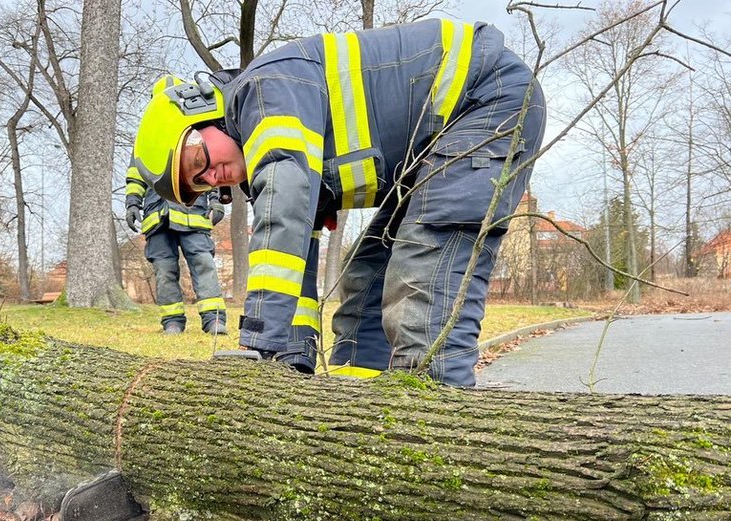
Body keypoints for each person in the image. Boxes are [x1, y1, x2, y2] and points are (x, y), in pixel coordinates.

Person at [132, 18, 546, 385]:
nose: (210, 176)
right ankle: (360, 411)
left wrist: (256, 343)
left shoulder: (265, 93)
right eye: (198, 183)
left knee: (423, 279)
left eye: (199, 159)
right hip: (430, 149)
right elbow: (295, 267)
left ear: (204, 113)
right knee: (365, 286)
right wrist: (290, 361)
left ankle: (437, 430)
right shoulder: (272, 146)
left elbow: (283, 220)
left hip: (484, 101)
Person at [125, 140, 228, 335]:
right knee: (164, 271)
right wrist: (132, 203)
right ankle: (172, 322)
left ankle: (214, 319)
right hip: (157, 217)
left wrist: (216, 200)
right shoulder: (146, 139)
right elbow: (136, 175)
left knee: (204, 264)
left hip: (194, 213)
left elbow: (210, 167)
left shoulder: (194, 132)